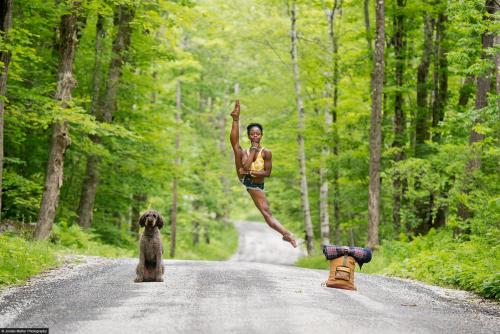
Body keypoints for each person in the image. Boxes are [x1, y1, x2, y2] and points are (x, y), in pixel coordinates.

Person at [230, 100, 297, 248]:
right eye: (252, 134)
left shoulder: (266, 152)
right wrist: (251, 155)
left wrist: (250, 171)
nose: (255, 136)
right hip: (247, 179)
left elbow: (267, 173)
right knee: (236, 149)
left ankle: (286, 235)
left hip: (255, 181)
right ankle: (235, 118)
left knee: (266, 214)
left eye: (257, 134)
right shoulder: (245, 152)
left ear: (261, 135)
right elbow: (237, 147)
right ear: (248, 136)